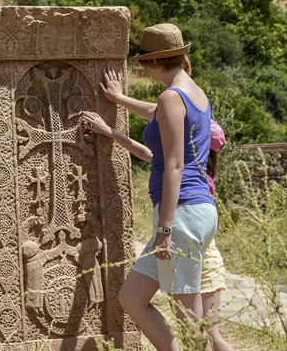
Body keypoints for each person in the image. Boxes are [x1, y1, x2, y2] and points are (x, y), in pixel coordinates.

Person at [81, 23, 217, 351]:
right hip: (195, 211)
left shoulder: (172, 96)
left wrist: (165, 229)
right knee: (132, 298)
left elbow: (174, 165)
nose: (143, 68)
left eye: (144, 63)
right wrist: (118, 100)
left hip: (181, 214)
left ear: (154, 63)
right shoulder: (192, 92)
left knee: (188, 318)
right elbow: (157, 115)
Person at [200, 120, 235, 351]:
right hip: (208, 262)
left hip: (203, 263)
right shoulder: (207, 177)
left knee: (210, 337)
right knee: (210, 336)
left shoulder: (195, 178)